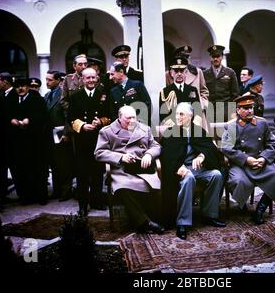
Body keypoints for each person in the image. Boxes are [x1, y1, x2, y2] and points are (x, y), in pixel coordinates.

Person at [94, 105, 164, 234]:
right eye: (128, 118)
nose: (132, 121)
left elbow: (156, 146)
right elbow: (99, 153)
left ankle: (154, 219)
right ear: (120, 118)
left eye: (134, 117)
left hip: (142, 168)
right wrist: (121, 157)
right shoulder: (107, 131)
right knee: (124, 187)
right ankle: (144, 222)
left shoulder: (144, 128)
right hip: (121, 170)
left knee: (155, 184)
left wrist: (149, 154)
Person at [160, 102, 226, 240]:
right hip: (180, 170)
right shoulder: (170, 132)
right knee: (189, 178)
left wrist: (202, 156)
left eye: (181, 114)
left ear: (190, 115)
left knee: (217, 175)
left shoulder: (199, 131)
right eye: (177, 113)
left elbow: (210, 149)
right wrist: (179, 166)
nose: (178, 117)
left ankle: (209, 215)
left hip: (198, 168)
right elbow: (166, 155)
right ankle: (182, 222)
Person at [221, 94, 275, 224]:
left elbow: (272, 144)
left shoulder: (262, 123)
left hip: (260, 162)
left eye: (251, 107)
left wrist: (263, 158)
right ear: (238, 110)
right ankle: (242, 205)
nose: (250, 111)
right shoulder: (231, 126)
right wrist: (246, 159)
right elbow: (227, 148)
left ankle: (260, 210)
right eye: (245, 108)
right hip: (241, 164)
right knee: (238, 181)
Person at [67, 67, 111, 216]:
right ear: (83, 80)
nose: (91, 80)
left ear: (97, 78)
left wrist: (101, 121)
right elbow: (70, 118)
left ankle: (97, 201)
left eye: (93, 77)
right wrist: (83, 125)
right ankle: (83, 205)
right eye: (88, 78)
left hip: (99, 140)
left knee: (98, 172)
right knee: (82, 174)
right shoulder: (75, 96)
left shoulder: (103, 95)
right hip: (82, 141)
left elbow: (110, 116)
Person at [9, 77, 49, 204]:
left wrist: (30, 120)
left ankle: (41, 197)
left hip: (35, 141)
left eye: (23, 86)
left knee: (38, 169)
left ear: (28, 87)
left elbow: (43, 117)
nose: (20, 89)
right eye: (17, 86)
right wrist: (12, 120)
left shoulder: (37, 99)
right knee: (22, 170)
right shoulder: (12, 99)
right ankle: (26, 197)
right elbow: (6, 114)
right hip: (18, 142)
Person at [44, 70, 73, 201]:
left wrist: (66, 133)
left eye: (50, 80)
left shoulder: (62, 95)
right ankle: (57, 191)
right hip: (50, 134)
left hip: (61, 133)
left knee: (64, 163)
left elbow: (68, 115)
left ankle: (66, 191)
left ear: (58, 81)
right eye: (46, 79)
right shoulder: (47, 95)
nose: (47, 82)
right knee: (54, 163)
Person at [165, 45, 209, 114]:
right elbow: (166, 94)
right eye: (183, 57)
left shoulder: (197, 72)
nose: (186, 59)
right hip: (177, 112)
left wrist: (202, 104)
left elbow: (204, 91)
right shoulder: (169, 74)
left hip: (196, 110)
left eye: (187, 57)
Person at [0, 72, 17, 205]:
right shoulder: (3, 96)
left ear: (5, 82)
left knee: (16, 167)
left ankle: (23, 193)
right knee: (2, 167)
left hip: (13, 139)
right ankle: (3, 194)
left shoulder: (15, 95)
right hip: (2, 139)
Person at [159, 56, 201, 126]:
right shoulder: (165, 92)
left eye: (181, 71)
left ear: (186, 72)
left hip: (191, 128)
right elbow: (163, 115)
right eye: (176, 71)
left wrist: (193, 125)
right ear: (171, 73)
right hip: (173, 130)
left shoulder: (192, 90)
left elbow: (198, 111)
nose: (179, 74)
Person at [203, 45, 239, 122]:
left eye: (217, 56)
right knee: (212, 133)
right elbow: (203, 92)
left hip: (226, 110)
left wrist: (233, 111)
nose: (215, 59)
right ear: (210, 58)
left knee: (228, 133)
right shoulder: (205, 74)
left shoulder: (230, 72)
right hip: (210, 111)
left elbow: (235, 94)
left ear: (222, 57)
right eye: (213, 57)